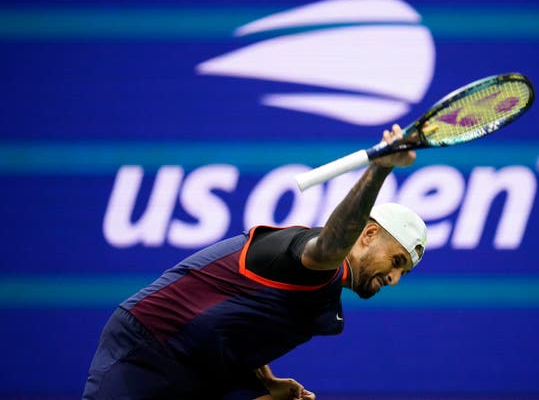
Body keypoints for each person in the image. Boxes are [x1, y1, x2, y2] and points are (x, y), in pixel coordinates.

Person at [82, 124, 428, 400]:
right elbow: (331, 245)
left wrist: (267, 382)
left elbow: (243, 322)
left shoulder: (324, 297)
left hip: (200, 368)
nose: (395, 277)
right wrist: (379, 171)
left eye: (403, 272)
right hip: (152, 348)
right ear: (366, 234)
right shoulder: (312, 254)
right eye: (396, 261)